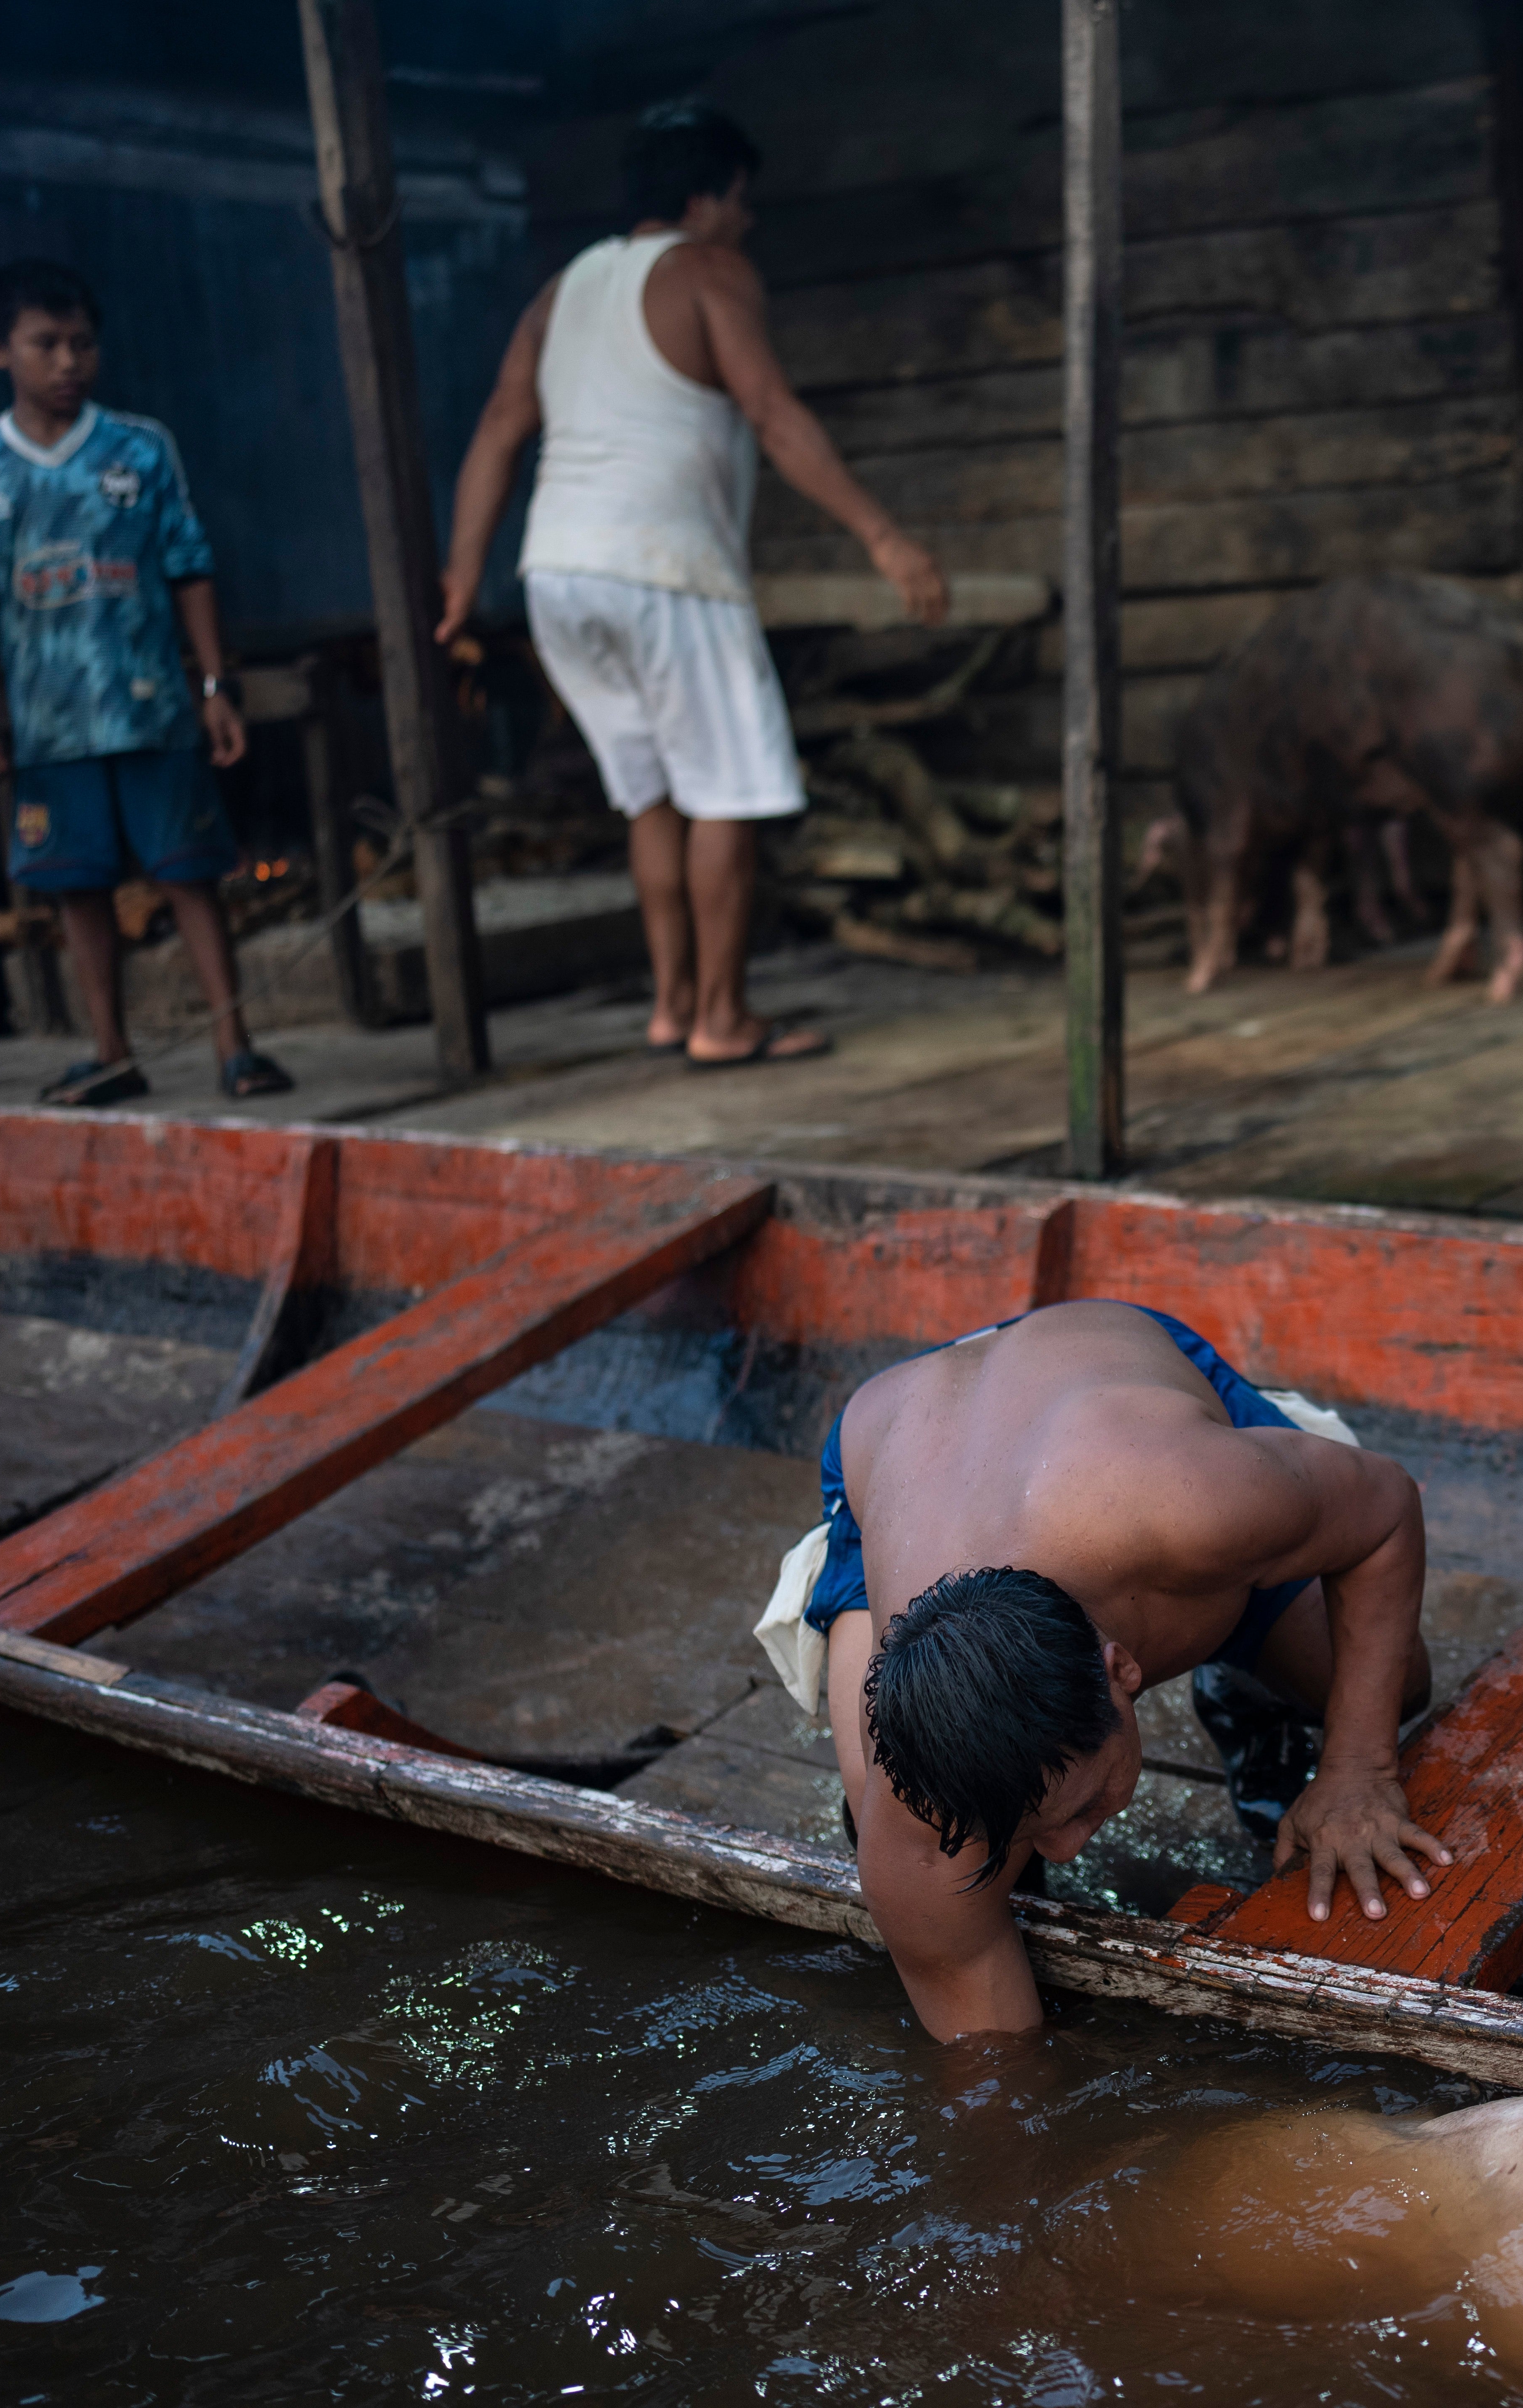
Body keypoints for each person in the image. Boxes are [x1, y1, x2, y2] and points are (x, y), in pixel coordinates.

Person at [752, 1300, 1451, 2038]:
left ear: (1124, 1672)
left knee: (1392, 1681)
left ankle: (1245, 1688)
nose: (1066, 1848)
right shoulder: (912, 1787)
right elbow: (985, 2057)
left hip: (1103, 1388)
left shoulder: (1196, 1502)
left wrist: (1358, 1771)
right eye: (1042, 1830)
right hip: (903, 1429)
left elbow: (1384, 1510)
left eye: (1083, 1808)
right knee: (898, 1852)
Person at [436, 99, 947, 1069]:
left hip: (560, 575)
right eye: (742, 200)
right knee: (727, 795)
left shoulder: (563, 290)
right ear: (705, 197)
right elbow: (770, 412)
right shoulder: (712, 271)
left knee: (653, 799)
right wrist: (884, 536)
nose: (748, 220)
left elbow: (501, 428)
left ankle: (672, 1006)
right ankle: (724, 1017)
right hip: (664, 570)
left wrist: (464, 575)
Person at [0, 259, 290, 1108]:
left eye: (82, 344)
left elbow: (189, 568)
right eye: (44, 345)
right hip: (49, 727)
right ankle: (111, 1051)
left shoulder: (140, 448)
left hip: (154, 713)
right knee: (76, 889)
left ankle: (237, 1049)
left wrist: (213, 687)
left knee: (190, 875)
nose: (68, 364)